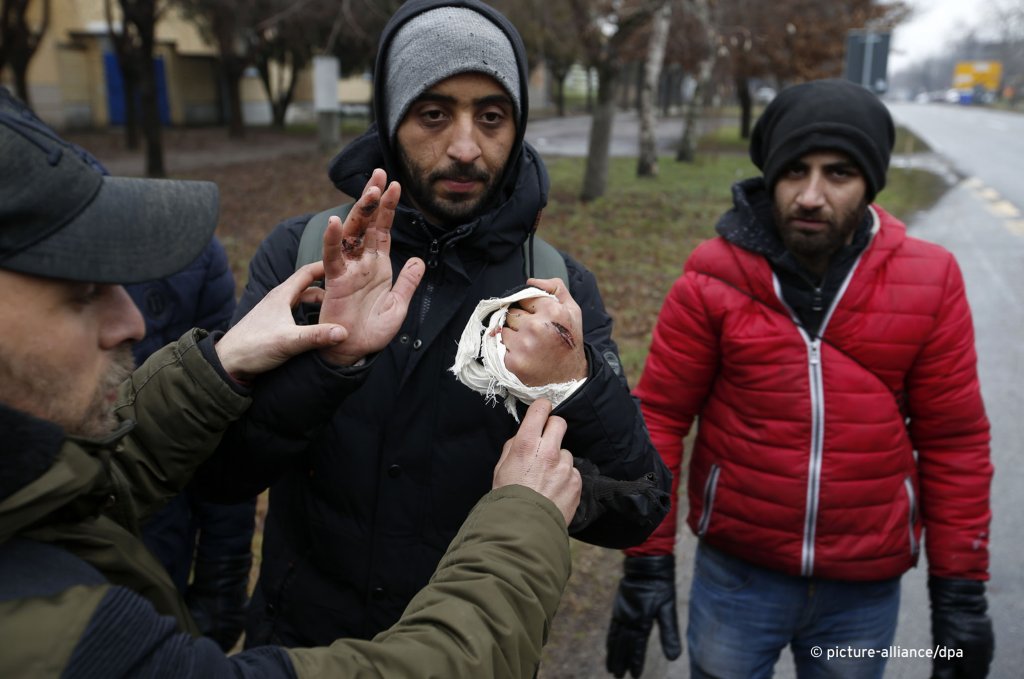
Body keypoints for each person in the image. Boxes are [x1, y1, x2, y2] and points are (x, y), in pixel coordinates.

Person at [0, 85, 583, 677]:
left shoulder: (28, 495)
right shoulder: (61, 638)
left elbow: (92, 484)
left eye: (491, 116)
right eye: (81, 293)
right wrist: (521, 524)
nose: (130, 322)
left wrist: (219, 364)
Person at [211, 0, 671, 649]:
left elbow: (639, 505)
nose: (464, 147)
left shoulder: (553, 287)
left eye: (491, 117)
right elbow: (222, 472)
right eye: (433, 114)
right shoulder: (307, 256)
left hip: (470, 652)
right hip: (300, 647)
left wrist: (577, 384)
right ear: (392, 119)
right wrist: (328, 363)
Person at [605, 79, 994, 679]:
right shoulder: (710, 281)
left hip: (862, 589)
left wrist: (960, 592)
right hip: (737, 577)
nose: (811, 196)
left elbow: (955, 442)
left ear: (869, 184)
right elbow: (658, 418)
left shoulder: (932, 281)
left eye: (838, 174)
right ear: (771, 176)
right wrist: (647, 562)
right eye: (795, 172)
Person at [128, 238, 256, 651]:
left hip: (160, 580)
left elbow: (223, 433)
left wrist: (222, 584)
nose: (126, 326)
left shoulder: (187, 252)